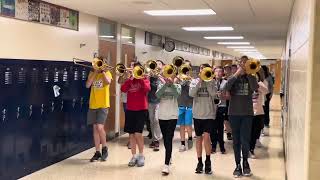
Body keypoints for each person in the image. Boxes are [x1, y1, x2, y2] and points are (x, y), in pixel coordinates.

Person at [223, 56, 258, 178]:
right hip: (233, 113)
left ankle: (246, 163)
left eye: (245, 63)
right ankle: (237, 165)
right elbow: (226, 87)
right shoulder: (233, 77)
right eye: (242, 64)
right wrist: (237, 73)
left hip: (247, 114)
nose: (243, 65)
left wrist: (248, 73)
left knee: (245, 141)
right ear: (238, 65)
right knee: (236, 141)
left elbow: (255, 88)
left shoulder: (251, 77)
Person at [121, 61, 151, 167]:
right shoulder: (130, 80)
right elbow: (123, 89)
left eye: (137, 70)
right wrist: (130, 79)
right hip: (130, 109)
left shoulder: (145, 79)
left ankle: (141, 155)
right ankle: (133, 156)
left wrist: (140, 78)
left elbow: (147, 89)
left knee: (138, 133)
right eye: (134, 69)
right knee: (131, 134)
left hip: (141, 109)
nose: (135, 71)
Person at [189, 63, 217, 175]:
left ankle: (208, 161)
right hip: (197, 115)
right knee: (199, 138)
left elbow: (214, 94)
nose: (203, 71)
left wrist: (208, 82)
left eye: (205, 69)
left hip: (209, 114)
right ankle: (199, 162)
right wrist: (200, 82)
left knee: (206, 137)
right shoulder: (194, 81)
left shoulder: (212, 81)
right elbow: (191, 93)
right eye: (201, 69)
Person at [86, 60, 112, 162]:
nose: (99, 66)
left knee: (100, 127)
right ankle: (97, 152)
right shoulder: (92, 73)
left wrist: (103, 72)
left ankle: (104, 148)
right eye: (98, 64)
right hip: (93, 104)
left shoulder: (108, 73)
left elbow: (108, 82)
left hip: (103, 105)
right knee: (95, 129)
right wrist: (96, 72)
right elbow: (88, 85)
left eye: (101, 64)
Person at [156, 74, 181, 175]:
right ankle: (169, 156)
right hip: (162, 115)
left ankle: (166, 164)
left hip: (172, 115)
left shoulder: (177, 85)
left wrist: (172, 84)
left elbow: (177, 95)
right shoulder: (160, 85)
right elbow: (158, 95)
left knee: (169, 138)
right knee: (165, 138)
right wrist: (165, 84)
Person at [249, 70, 268, 158]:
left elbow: (266, 91)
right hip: (248, 112)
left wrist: (257, 84)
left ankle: (251, 149)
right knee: (247, 133)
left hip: (258, 112)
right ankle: (245, 150)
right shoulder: (246, 85)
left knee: (255, 133)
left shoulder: (260, 84)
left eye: (255, 77)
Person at [177, 60, 194, 152]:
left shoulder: (192, 79)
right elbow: (175, 84)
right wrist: (179, 78)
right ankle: (182, 143)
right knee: (182, 125)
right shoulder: (179, 77)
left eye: (187, 68)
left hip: (190, 103)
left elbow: (193, 90)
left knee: (188, 124)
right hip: (180, 103)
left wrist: (189, 79)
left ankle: (190, 138)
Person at [148, 60, 164, 151]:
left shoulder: (163, 76)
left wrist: (159, 77)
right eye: (156, 64)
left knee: (156, 120)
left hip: (160, 101)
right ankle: (154, 139)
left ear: (162, 66)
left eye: (159, 64)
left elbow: (166, 85)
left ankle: (157, 139)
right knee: (151, 121)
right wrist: (148, 76)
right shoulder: (150, 76)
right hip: (150, 101)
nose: (157, 66)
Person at [211, 66, 227, 154]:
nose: (218, 73)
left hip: (222, 106)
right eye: (216, 71)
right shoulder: (211, 82)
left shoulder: (225, 82)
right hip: (212, 106)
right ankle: (213, 145)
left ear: (222, 73)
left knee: (220, 127)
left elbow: (228, 95)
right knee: (213, 127)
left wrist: (222, 95)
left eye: (220, 71)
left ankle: (221, 145)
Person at [261, 66, 274, 130]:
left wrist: (271, 94)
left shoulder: (269, 77)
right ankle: (261, 122)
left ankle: (266, 122)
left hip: (267, 94)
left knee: (266, 108)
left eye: (262, 70)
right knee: (261, 109)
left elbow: (271, 86)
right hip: (261, 94)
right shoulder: (259, 77)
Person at [223, 64, 233, 140]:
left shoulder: (233, 79)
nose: (227, 71)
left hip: (232, 101)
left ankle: (232, 131)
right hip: (224, 101)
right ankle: (228, 133)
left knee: (231, 118)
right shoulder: (223, 79)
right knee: (226, 118)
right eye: (225, 69)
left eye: (228, 69)